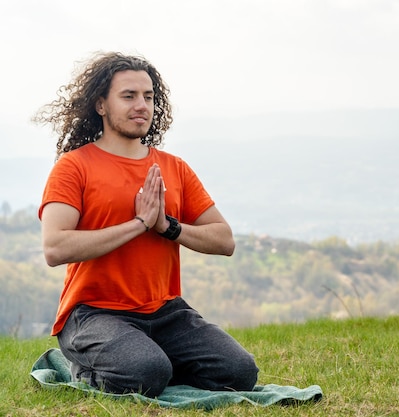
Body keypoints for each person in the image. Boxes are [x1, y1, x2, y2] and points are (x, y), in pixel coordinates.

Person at [35, 52, 259, 397]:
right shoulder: (74, 166)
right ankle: (88, 369)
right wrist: (138, 223)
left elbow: (224, 240)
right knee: (146, 372)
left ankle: (151, 360)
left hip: (166, 312)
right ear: (101, 105)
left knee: (239, 372)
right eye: (129, 96)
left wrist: (166, 226)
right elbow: (55, 247)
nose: (142, 105)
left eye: (149, 96)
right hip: (93, 313)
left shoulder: (174, 167)